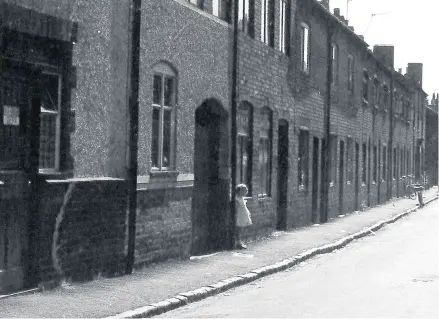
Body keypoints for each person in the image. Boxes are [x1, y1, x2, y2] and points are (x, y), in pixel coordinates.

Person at [235, 184, 252, 249]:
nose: (246, 192)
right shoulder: (236, 198)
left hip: (243, 215)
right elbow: (236, 208)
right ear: (239, 191)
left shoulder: (241, 198)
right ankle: (238, 243)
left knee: (241, 229)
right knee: (238, 229)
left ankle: (240, 242)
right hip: (239, 216)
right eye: (244, 190)